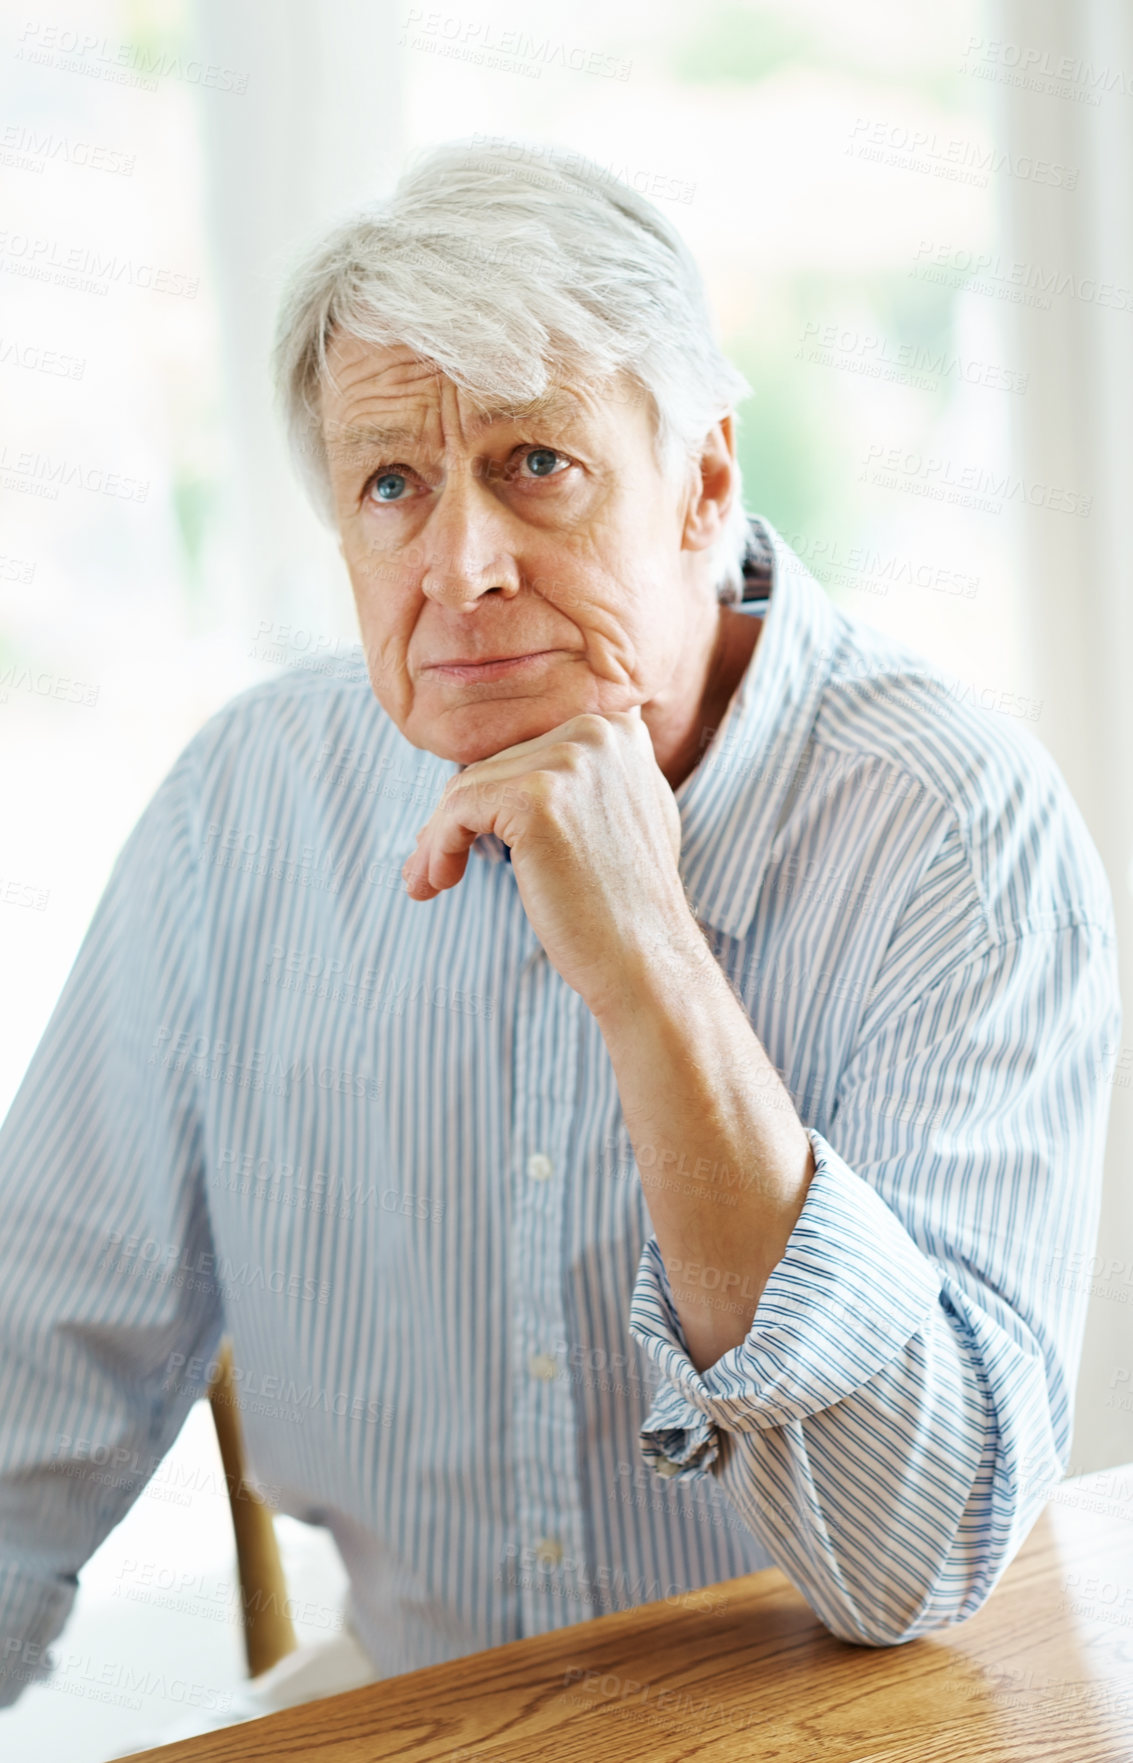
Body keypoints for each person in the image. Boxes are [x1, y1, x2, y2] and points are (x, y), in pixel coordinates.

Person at [0, 138, 1121, 1706]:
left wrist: (654, 964)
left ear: (704, 478)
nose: (460, 565)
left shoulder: (950, 828)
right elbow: (31, 1380)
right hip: (419, 1702)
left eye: (536, 464)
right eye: (391, 482)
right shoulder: (243, 807)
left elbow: (914, 1560)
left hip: (854, 1717)